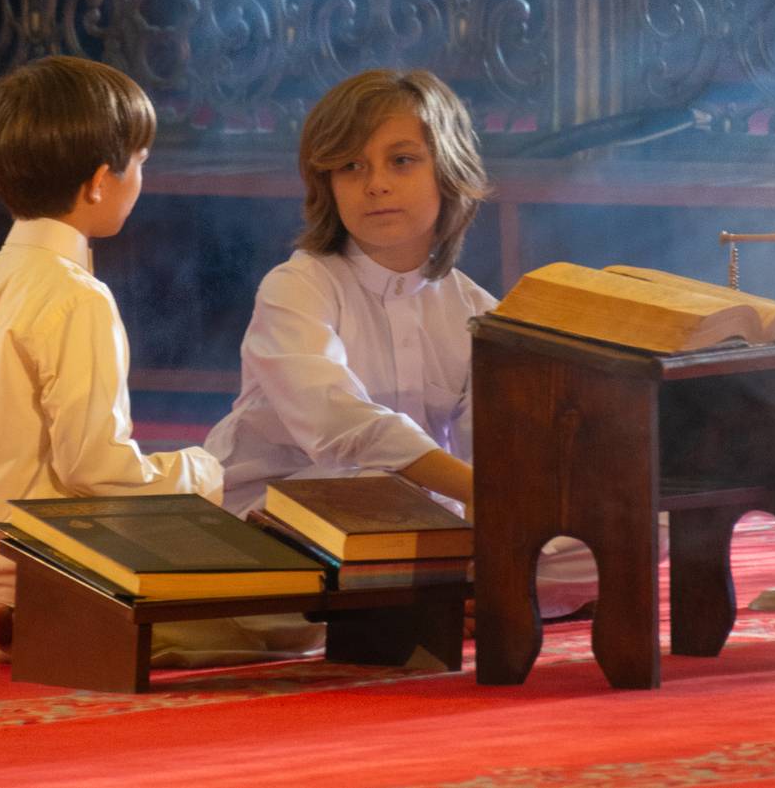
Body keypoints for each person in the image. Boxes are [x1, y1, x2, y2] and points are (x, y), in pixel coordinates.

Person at [0, 55, 319, 667]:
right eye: (139, 162)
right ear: (98, 182)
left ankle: (39, 611)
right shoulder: (75, 297)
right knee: (298, 617)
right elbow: (97, 471)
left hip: (11, 567)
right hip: (74, 563)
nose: (142, 179)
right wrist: (201, 472)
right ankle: (85, 623)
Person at [204, 69, 597, 619]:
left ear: (448, 171)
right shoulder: (296, 286)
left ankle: (434, 594)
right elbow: (340, 424)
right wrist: (478, 493)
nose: (376, 185)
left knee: (612, 532)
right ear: (326, 184)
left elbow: (496, 449)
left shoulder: (477, 310)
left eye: (402, 161)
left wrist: (528, 507)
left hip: (423, 515)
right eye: (351, 166)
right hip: (279, 509)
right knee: (377, 498)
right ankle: (462, 593)